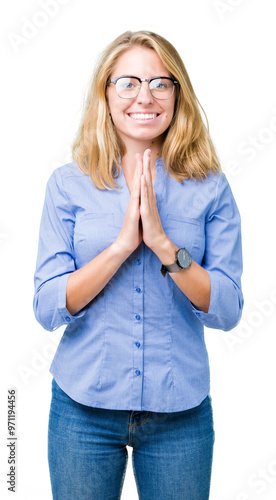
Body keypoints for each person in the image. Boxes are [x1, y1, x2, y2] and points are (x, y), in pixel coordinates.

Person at [33, 30, 243, 500]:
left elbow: (228, 308)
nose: (143, 96)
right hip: (81, 411)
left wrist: (165, 247)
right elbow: (47, 306)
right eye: (127, 82)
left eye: (160, 83)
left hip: (180, 417)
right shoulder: (68, 184)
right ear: (105, 94)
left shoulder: (210, 187)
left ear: (177, 94)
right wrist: (122, 246)